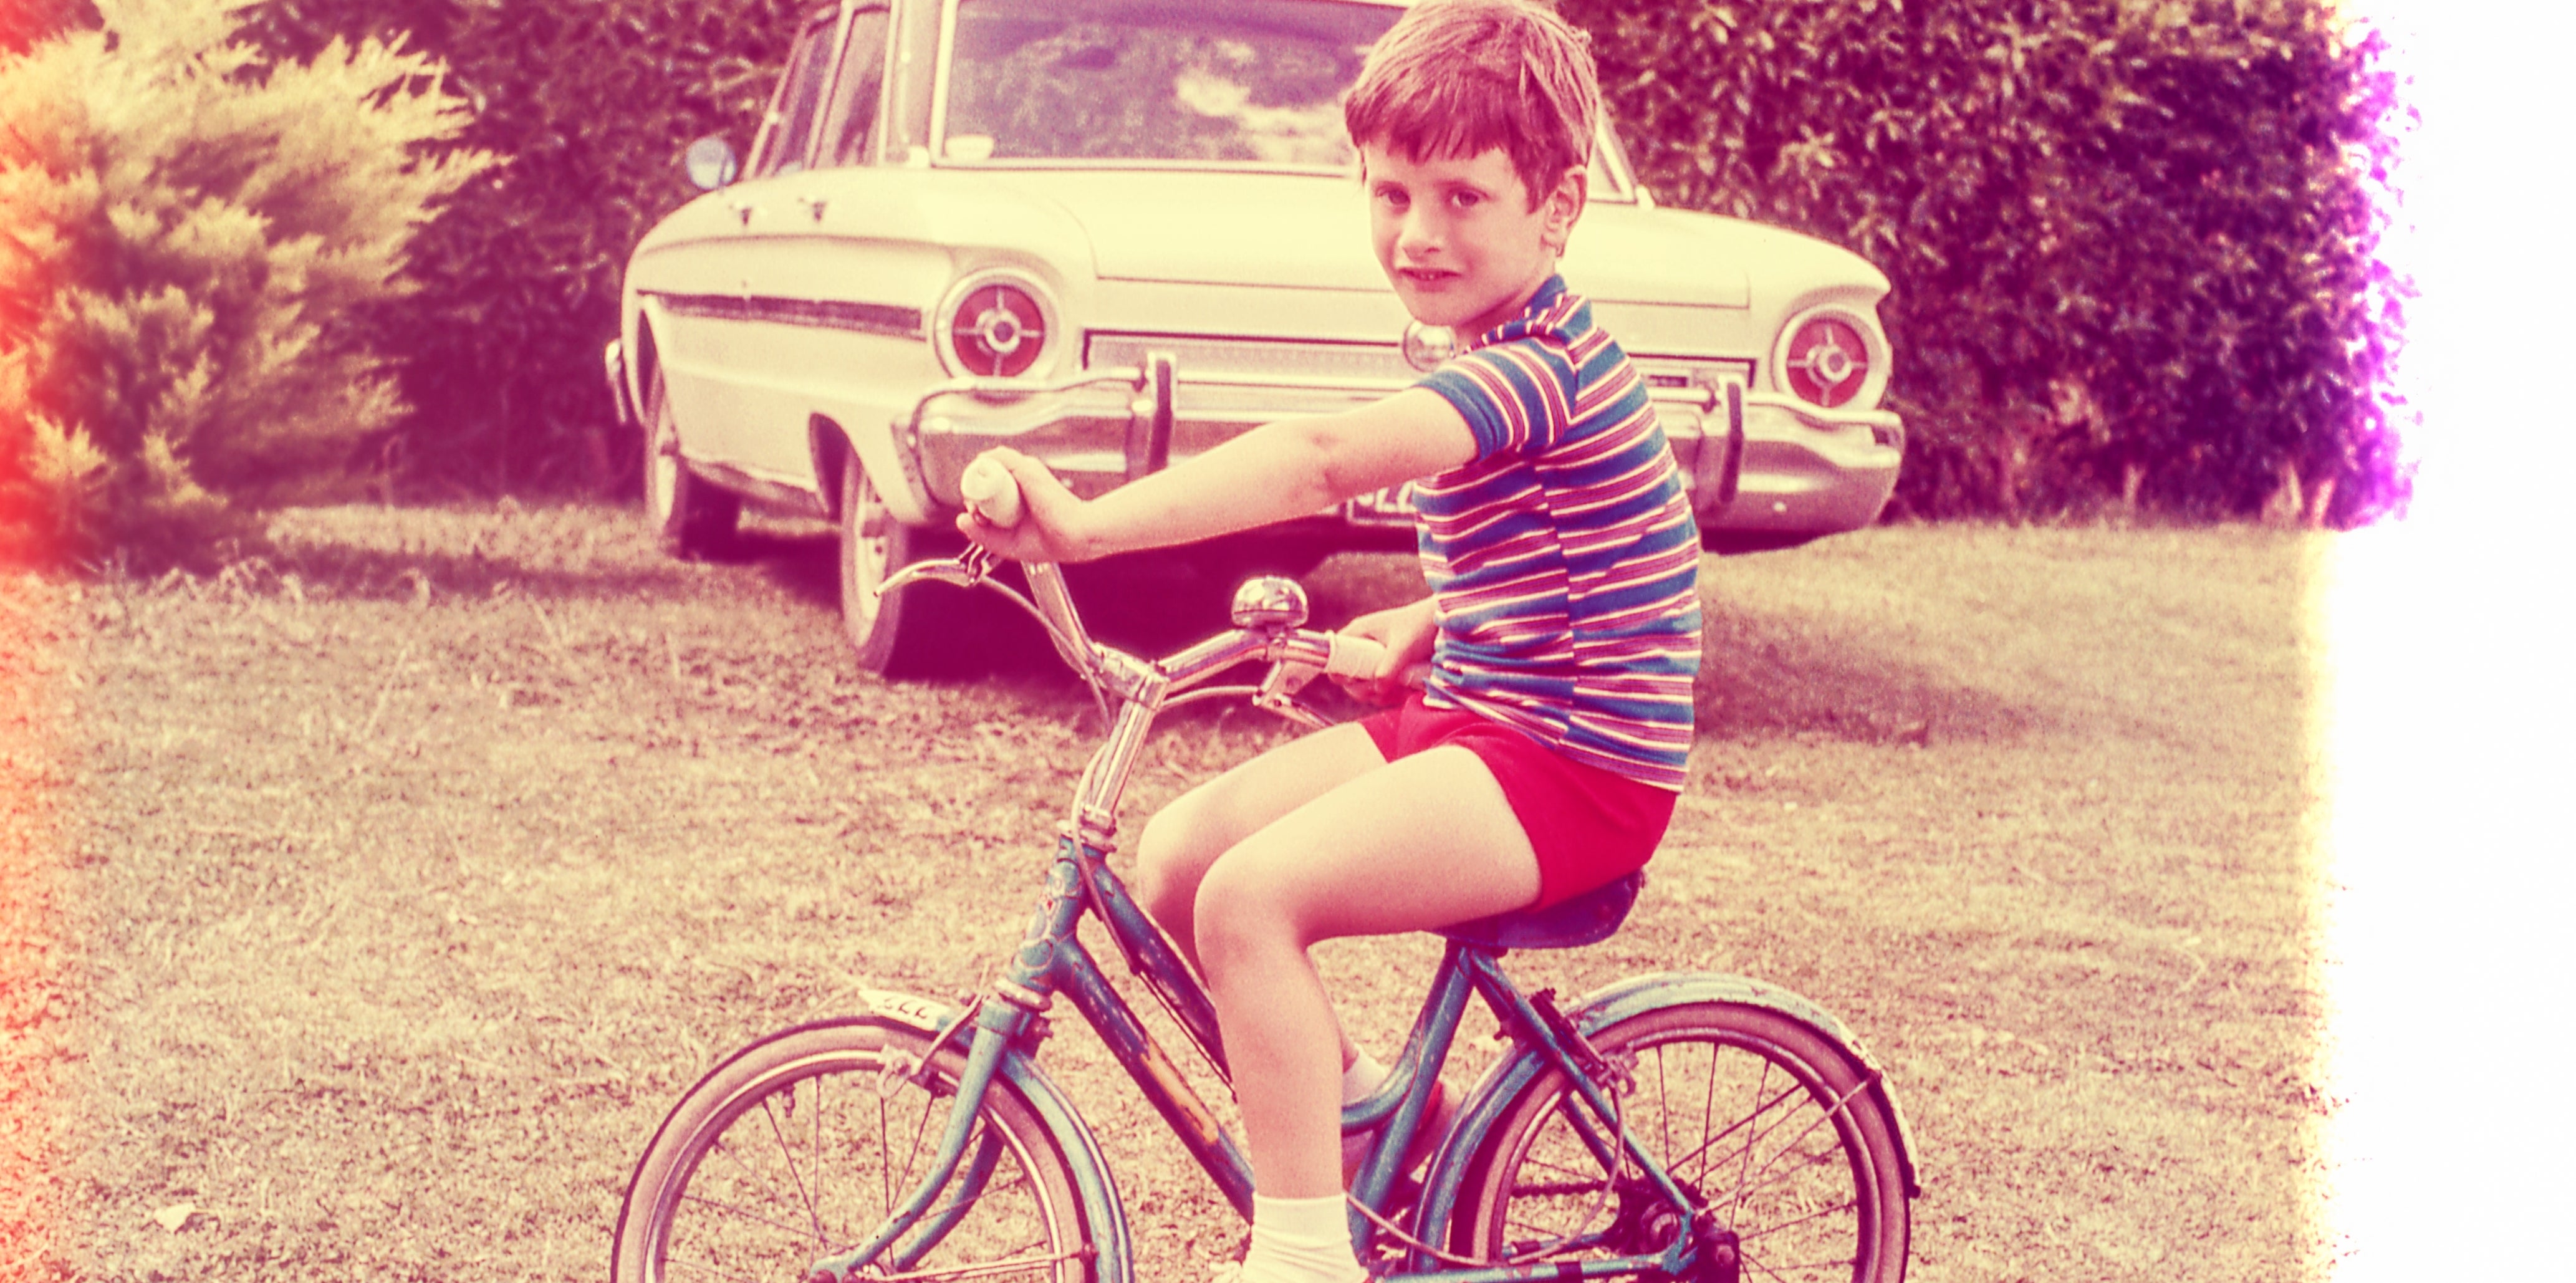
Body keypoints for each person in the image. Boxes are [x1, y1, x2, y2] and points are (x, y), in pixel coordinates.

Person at [957, 2, 1700, 1279]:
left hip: (1576, 770)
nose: (1417, 234)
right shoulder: (1496, 342)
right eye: (1391, 191)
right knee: (1184, 853)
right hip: (1490, 717)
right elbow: (1597, 545)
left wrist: (1083, 530)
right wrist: (1421, 625)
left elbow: (1319, 461)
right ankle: (1357, 1119)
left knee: (1254, 900)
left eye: (1463, 198)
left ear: (1557, 207)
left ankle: (1302, 1258)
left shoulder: (1532, 368)